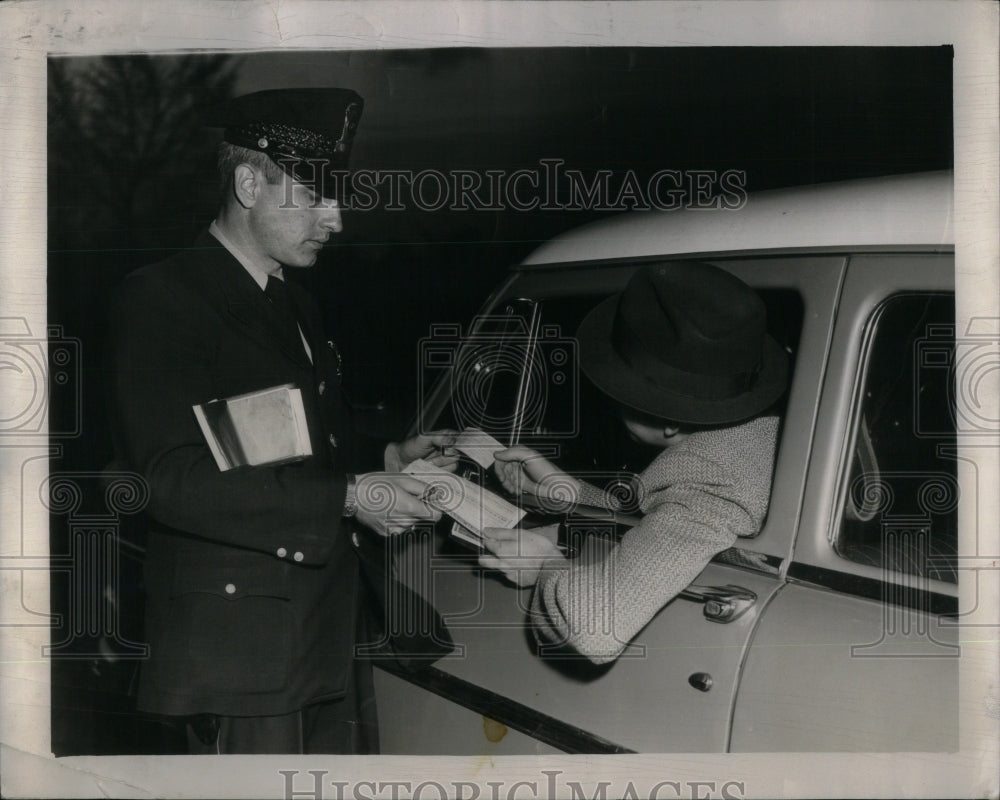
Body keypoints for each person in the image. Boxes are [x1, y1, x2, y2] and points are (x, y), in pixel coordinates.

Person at [108, 88, 456, 754]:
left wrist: (385, 459)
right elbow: (170, 480)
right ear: (247, 182)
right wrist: (350, 497)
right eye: (318, 196)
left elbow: (291, 443)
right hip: (241, 655)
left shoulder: (295, 304)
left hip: (324, 632)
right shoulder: (162, 299)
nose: (337, 220)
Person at [478, 262, 789, 664]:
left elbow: (596, 628)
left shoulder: (713, 483)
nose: (611, 401)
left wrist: (542, 564)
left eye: (623, 393)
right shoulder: (756, 439)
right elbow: (661, 515)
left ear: (671, 422)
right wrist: (564, 491)